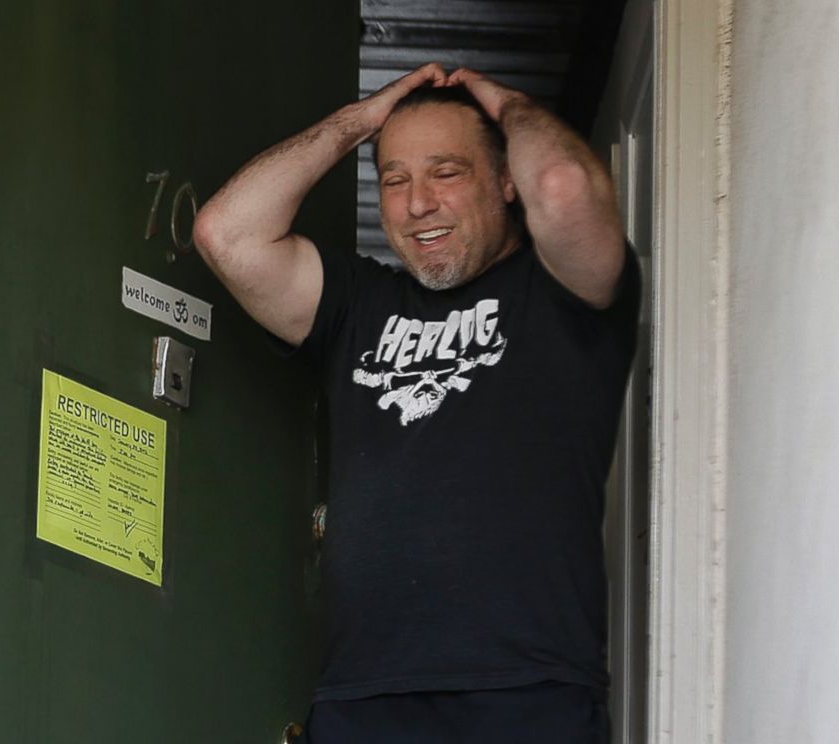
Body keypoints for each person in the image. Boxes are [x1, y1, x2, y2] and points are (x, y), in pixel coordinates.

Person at [193, 64, 640, 744]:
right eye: (395, 179)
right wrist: (359, 122)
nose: (417, 203)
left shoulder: (563, 294)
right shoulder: (359, 304)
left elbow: (564, 186)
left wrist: (509, 104)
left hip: (524, 694)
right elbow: (227, 233)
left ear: (505, 181)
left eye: (447, 172)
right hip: (363, 699)